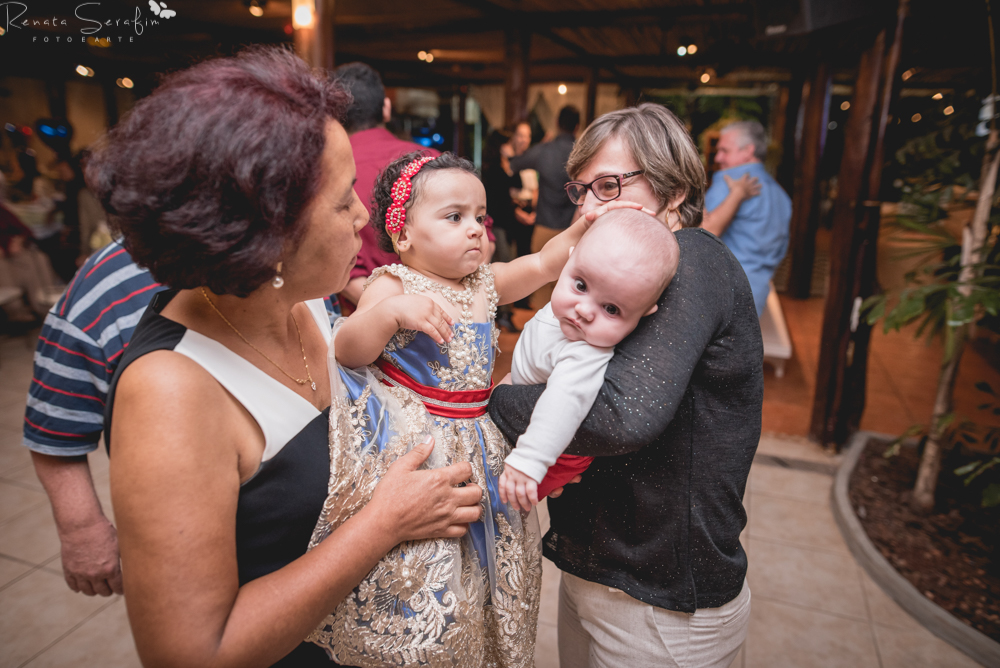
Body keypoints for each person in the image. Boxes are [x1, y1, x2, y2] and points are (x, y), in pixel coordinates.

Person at [89, 48, 482, 668]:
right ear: (269, 235)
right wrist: (385, 523)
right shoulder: (171, 390)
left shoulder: (306, 298)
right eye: (344, 201)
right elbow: (192, 653)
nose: (365, 216)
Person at [489, 102, 762, 668]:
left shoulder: (693, 260)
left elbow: (619, 416)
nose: (590, 207)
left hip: (661, 599)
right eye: (582, 190)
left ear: (675, 192)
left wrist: (498, 401)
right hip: (603, 567)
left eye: (610, 186)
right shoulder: (615, 271)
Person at [327, 149, 601, 666]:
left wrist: (588, 221)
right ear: (403, 234)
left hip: (480, 445)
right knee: (430, 566)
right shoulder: (391, 284)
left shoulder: (485, 283)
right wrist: (390, 314)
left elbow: (546, 262)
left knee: (486, 561)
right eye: (454, 217)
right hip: (420, 447)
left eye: (480, 216)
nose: (475, 228)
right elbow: (347, 349)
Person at [498, 209, 679, 511]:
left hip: (551, 448)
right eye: (580, 285)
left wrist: (529, 460)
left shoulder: (585, 352)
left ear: (643, 315)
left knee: (497, 504)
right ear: (567, 263)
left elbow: (563, 403)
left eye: (611, 309)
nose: (584, 310)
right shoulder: (566, 311)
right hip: (533, 428)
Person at [333, 62, 441, 313]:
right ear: (386, 108)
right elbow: (483, 239)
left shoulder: (327, 170)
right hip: (441, 317)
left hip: (360, 319)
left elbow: (336, 262)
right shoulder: (433, 161)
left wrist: (390, 311)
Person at [702, 120, 791, 316]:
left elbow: (703, 233)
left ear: (748, 151)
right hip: (757, 290)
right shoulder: (781, 196)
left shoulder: (730, 181)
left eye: (724, 150)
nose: (718, 157)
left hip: (720, 287)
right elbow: (781, 249)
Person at [508, 106, 580, 309]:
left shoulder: (545, 151)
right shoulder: (582, 152)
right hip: (572, 229)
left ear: (557, 123)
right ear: (577, 126)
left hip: (544, 227)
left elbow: (514, 164)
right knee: (567, 286)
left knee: (539, 283)